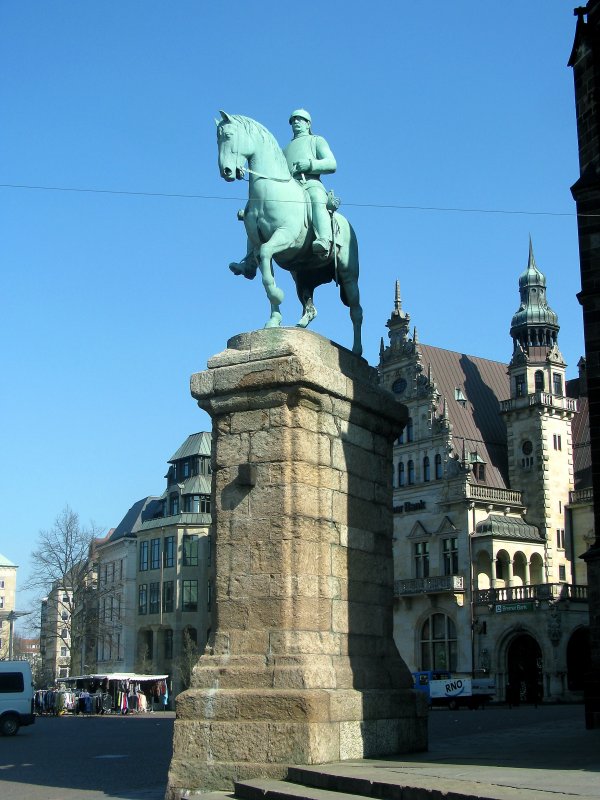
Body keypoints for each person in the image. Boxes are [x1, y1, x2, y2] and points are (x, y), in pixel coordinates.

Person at [283, 109, 337, 255]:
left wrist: (310, 165)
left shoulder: (316, 140)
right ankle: (250, 260)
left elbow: (332, 164)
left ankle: (324, 239)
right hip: (289, 187)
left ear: (308, 124)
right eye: (293, 120)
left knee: (316, 198)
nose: (295, 122)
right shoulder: (285, 149)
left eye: (299, 119)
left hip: (310, 183)